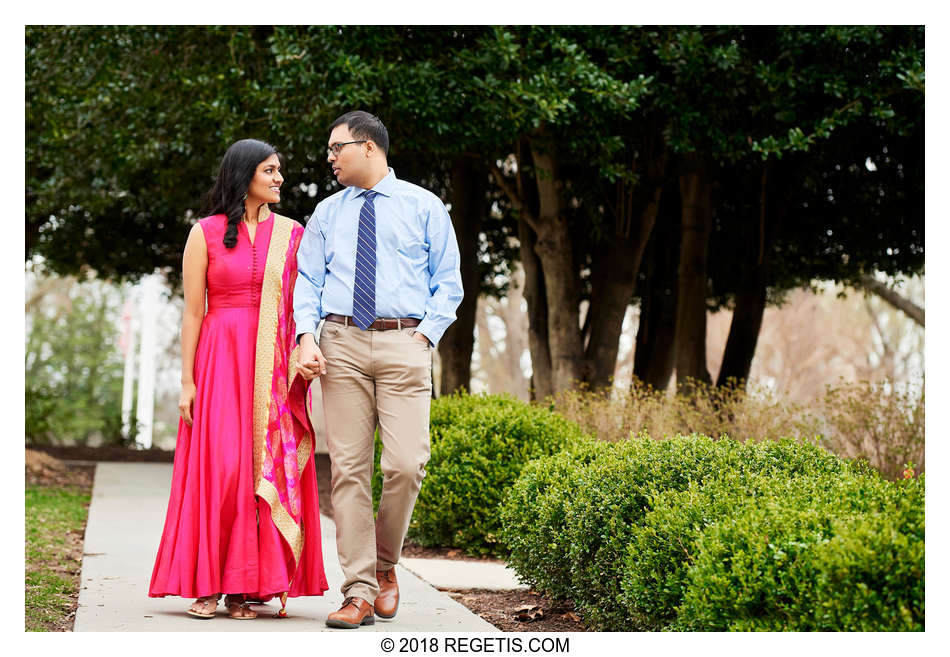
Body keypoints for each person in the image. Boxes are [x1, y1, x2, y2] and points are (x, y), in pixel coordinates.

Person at [294, 111, 463, 629]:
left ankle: (386, 565)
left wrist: (425, 336)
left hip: (404, 342)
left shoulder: (424, 206)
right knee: (346, 470)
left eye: (335, 148)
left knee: (406, 466)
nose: (330, 158)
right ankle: (360, 589)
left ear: (368, 147)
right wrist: (307, 337)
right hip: (339, 343)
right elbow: (308, 280)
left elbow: (448, 282)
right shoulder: (326, 213)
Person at [149, 139, 329, 619]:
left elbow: (305, 303)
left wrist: (304, 351)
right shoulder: (203, 233)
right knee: (222, 468)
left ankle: (247, 588)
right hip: (219, 361)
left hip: (272, 367)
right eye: (269, 171)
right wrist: (186, 382)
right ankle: (207, 582)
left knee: (261, 468)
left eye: (279, 171)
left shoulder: (293, 234)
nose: (279, 179)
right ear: (244, 173)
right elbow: (192, 314)